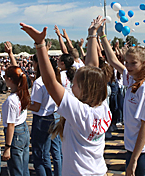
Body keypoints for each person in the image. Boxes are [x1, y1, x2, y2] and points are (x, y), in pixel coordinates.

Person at [20, 16, 111, 176]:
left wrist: (40, 45)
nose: (71, 86)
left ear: (84, 89)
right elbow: (93, 69)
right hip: (99, 171)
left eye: (74, 84)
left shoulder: (80, 113)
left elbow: (50, 82)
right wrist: (92, 34)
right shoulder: (102, 105)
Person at [100, 27, 145, 176]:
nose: (128, 66)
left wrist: (134, 160)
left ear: (144, 63)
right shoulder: (131, 78)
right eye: (127, 62)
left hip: (142, 152)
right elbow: (112, 60)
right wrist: (102, 35)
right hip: (132, 148)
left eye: (133, 63)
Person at [1, 66, 30, 176]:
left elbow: (11, 125)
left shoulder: (11, 100)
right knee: (24, 167)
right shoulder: (23, 92)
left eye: (5, 76)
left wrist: (7, 147)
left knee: (16, 169)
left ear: (10, 79)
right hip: (23, 129)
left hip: (16, 133)